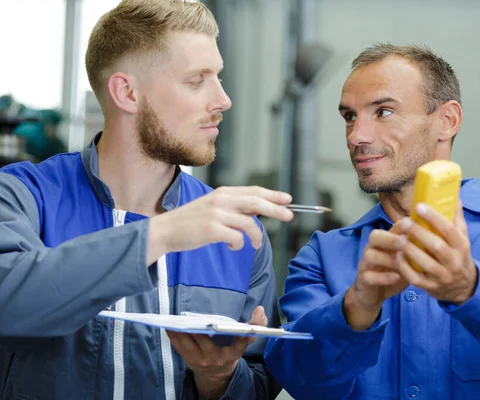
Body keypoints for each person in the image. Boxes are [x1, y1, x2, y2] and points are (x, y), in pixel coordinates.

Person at [264, 43, 480, 400]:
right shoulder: (321, 258)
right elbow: (299, 381)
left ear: (447, 121)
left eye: (384, 111)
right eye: (349, 116)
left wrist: (472, 288)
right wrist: (355, 309)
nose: (357, 136)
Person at [0, 1, 294, 399]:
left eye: (218, 78)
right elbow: (10, 298)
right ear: (127, 92)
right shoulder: (21, 195)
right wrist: (162, 234)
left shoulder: (239, 234)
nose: (223, 100)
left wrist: (218, 376)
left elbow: (261, 386)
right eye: (196, 80)